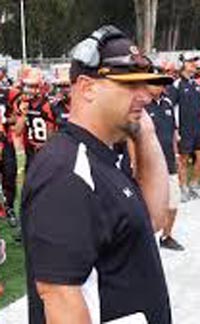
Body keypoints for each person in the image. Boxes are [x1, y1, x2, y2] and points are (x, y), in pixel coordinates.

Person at [21, 26, 173, 324]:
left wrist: (146, 132)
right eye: (130, 85)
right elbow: (61, 299)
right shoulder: (65, 171)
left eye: (145, 84)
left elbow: (150, 219)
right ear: (88, 88)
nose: (145, 95)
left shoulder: (101, 154)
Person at [146, 84, 184, 251]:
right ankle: (143, 241)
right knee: (146, 205)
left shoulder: (168, 103)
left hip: (169, 161)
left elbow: (174, 133)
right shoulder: (142, 105)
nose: (159, 87)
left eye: (161, 84)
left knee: (174, 201)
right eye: (155, 83)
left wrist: (176, 156)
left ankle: (166, 236)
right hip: (150, 163)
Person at [167, 53, 200, 202]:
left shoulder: (196, 84)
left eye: (195, 61)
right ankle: (183, 187)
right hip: (184, 129)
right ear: (183, 64)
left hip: (197, 128)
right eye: (191, 61)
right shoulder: (177, 84)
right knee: (184, 159)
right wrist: (175, 131)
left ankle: (194, 185)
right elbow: (169, 108)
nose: (194, 64)